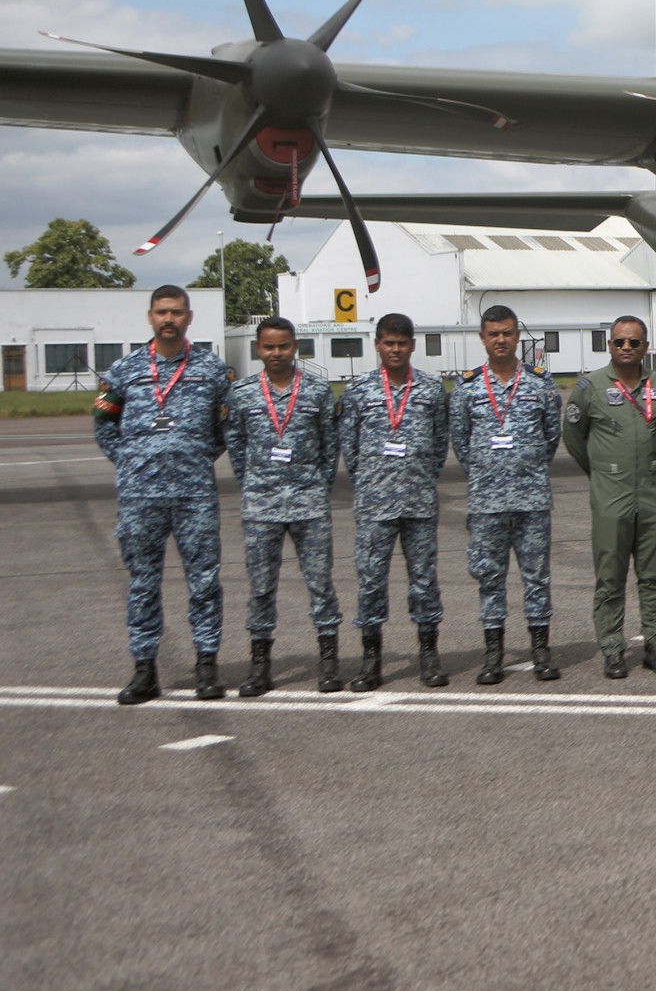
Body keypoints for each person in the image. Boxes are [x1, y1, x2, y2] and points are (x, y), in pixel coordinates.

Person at [95, 285, 230, 704]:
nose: (168, 319)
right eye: (161, 312)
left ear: (189, 318)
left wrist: (193, 456)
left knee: (204, 582)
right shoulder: (122, 370)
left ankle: (206, 667)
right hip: (140, 497)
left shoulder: (212, 369)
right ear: (150, 317)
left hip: (194, 495)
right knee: (142, 583)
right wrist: (133, 460)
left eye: (176, 312)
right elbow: (103, 426)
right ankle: (144, 670)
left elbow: (226, 429)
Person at [224, 316, 342, 697]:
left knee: (321, 584)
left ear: (296, 348)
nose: (276, 354)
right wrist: (255, 484)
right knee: (260, 588)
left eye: (284, 346)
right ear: (258, 349)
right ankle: (260, 667)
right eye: (269, 347)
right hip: (261, 506)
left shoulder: (318, 392)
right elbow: (236, 448)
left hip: (309, 504)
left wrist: (315, 484)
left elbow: (330, 446)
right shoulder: (241, 394)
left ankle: (328, 662)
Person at [450, 304, 563, 684]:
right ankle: (493, 653)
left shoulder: (540, 383)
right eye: (493, 334)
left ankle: (541, 651)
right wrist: (487, 473)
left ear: (518, 336)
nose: (501, 340)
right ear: (482, 338)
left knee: (537, 577)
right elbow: (461, 443)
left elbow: (551, 437)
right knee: (489, 578)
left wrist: (524, 467)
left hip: (531, 499)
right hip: (487, 503)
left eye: (508, 333)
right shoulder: (467, 388)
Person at [341, 312, 450, 688]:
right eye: (389, 343)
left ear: (413, 346)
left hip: (419, 502)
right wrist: (372, 482)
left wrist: (419, 477)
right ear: (377, 345)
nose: (395, 350)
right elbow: (349, 450)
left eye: (402, 343)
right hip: (374, 505)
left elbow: (440, 447)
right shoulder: (359, 391)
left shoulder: (432, 390)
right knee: (371, 581)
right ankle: (371, 659)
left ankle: (429, 655)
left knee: (424, 581)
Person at [564, 316, 656, 679]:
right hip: (611, 495)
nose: (627, 348)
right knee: (610, 575)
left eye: (634, 342)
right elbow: (574, 436)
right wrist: (601, 473)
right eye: (620, 342)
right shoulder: (590, 387)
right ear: (609, 346)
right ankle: (613, 648)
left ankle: (655, 644)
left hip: (653, 493)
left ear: (645, 347)